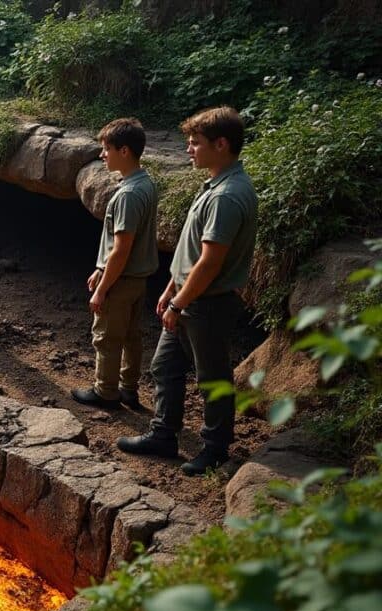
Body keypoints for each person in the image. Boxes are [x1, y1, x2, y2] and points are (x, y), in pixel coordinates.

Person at [117, 106, 258, 476]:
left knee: (212, 378)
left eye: (195, 143)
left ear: (221, 144)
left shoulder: (227, 196)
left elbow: (210, 262)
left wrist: (179, 302)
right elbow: (192, 251)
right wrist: (170, 289)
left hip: (206, 304)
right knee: (165, 367)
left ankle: (215, 451)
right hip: (188, 298)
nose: (188, 150)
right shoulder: (216, 184)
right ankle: (163, 435)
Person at [72, 118, 159, 411]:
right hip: (138, 279)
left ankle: (106, 392)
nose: (102, 155)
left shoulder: (128, 195)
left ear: (124, 151)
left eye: (106, 149)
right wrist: (100, 267)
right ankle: (128, 390)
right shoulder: (145, 184)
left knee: (107, 337)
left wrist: (102, 288)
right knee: (132, 337)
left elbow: (121, 249)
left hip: (120, 281)